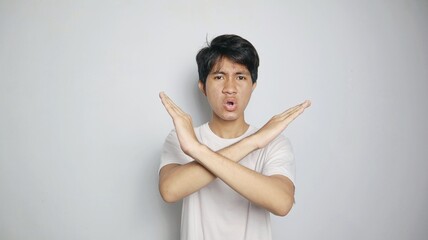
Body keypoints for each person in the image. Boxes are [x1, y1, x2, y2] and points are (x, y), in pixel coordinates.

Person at [158, 34, 311, 240]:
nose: (230, 88)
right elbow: (170, 190)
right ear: (203, 86)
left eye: (240, 77)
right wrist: (251, 143)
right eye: (219, 76)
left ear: (253, 86)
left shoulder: (274, 142)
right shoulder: (183, 138)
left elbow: (282, 203)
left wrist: (198, 150)